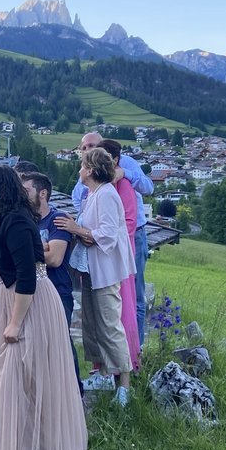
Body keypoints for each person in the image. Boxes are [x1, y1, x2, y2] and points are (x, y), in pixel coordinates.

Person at [0, 165, 86, 450]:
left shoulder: (17, 222)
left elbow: (28, 274)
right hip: (16, 302)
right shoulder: (8, 220)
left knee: (33, 381)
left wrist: (14, 322)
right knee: (21, 381)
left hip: (29, 306)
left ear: (0, 189)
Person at [55, 147, 135, 406]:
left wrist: (77, 229)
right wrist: (76, 227)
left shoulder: (107, 195)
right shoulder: (93, 195)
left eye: (81, 165)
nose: (79, 170)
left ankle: (124, 386)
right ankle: (103, 374)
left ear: (90, 170)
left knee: (110, 325)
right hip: (91, 270)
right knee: (92, 323)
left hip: (105, 271)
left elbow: (108, 235)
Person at [71, 131, 154, 345]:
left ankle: (136, 348)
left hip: (131, 236)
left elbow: (148, 187)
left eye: (92, 146)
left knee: (133, 294)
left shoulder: (125, 164)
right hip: (100, 242)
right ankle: (112, 356)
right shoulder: (89, 170)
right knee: (107, 302)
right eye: (84, 148)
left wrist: (125, 173)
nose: (88, 150)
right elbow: (78, 198)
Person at [20, 171, 82, 391]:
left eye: (26, 191)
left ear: (42, 193)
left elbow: (55, 258)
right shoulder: (22, 219)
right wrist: (40, 249)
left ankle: (75, 392)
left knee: (60, 343)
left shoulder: (58, 219)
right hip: (28, 291)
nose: (21, 195)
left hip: (57, 290)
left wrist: (24, 251)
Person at [101, 139, 141, 373]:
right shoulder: (98, 187)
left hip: (119, 258)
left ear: (115, 161)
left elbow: (128, 224)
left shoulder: (124, 186)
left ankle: (126, 365)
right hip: (104, 256)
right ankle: (104, 367)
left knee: (122, 308)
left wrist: (98, 237)